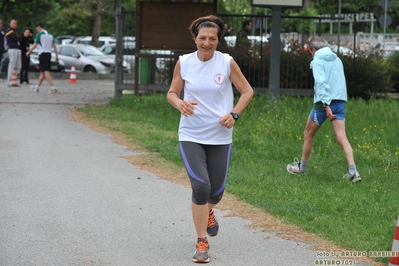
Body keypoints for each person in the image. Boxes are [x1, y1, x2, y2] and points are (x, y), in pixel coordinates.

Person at [167, 15, 253, 263]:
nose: (207, 43)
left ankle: (210, 211)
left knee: (215, 193)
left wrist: (234, 114)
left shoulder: (226, 62)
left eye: (212, 39)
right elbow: (172, 93)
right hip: (191, 134)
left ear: (218, 40)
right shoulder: (184, 62)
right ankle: (201, 241)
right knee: (201, 187)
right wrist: (179, 103)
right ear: (195, 38)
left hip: (220, 136)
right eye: (202, 38)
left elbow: (247, 91)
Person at [286, 36, 362, 184]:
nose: (311, 55)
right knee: (342, 138)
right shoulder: (337, 59)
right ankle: (353, 171)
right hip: (340, 101)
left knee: (308, 134)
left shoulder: (317, 61)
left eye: (310, 52)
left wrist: (326, 106)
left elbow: (321, 83)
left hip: (323, 104)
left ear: (313, 49)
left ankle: (302, 168)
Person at [26, 22, 58, 94]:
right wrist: (56, 56)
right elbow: (54, 46)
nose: (37, 30)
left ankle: (53, 87)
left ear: (39, 27)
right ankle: (37, 87)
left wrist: (29, 51)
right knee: (42, 72)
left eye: (37, 28)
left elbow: (35, 45)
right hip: (48, 54)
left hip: (42, 54)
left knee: (45, 71)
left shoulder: (39, 35)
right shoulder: (50, 35)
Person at [5, 19, 21, 86]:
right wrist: (19, 38)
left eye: (16, 24)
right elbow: (15, 38)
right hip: (12, 49)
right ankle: (9, 80)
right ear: (10, 24)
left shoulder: (14, 31)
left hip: (16, 49)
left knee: (18, 65)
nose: (15, 25)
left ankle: (15, 80)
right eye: (14, 24)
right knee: (12, 65)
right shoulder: (9, 31)